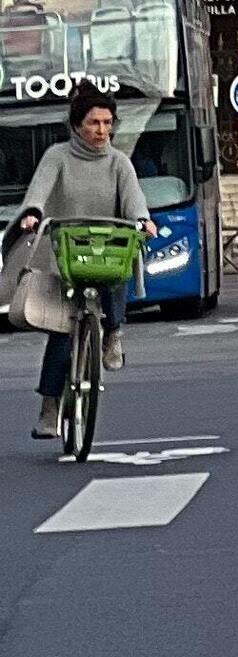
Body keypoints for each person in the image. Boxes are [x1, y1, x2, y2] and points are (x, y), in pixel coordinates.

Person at [9, 85, 153, 441]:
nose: (102, 130)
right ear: (76, 125)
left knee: (118, 272)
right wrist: (32, 213)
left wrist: (143, 220)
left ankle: (113, 333)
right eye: (94, 123)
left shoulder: (119, 162)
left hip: (107, 249)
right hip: (66, 254)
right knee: (61, 335)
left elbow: (133, 199)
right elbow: (39, 192)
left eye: (107, 123)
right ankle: (49, 408)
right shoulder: (57, 156)